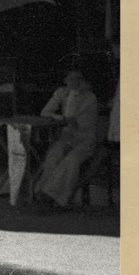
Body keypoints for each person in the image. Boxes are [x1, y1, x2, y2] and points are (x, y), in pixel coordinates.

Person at [34, 69, 101, 208]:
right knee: (54, 154)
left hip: (85, 138)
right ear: (65, 80)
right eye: (71, 79)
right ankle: (41, 190)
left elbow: (74, 117)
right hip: (67, 136)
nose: (75, 82)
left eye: (78, 79)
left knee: (72, 160)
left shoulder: (89, 97)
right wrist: (60, 117)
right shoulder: (61, 93)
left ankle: (51, 195)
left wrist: (73, 96)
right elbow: (46, 112)